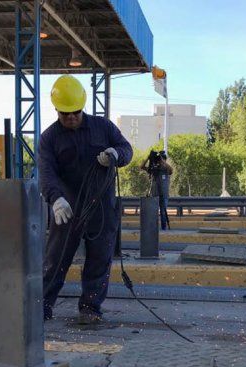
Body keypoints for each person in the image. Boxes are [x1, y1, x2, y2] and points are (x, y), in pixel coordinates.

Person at [39, 75, 133, 324]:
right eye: (65, 114)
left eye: (75, 113)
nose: (70, 118)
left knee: (99, 260)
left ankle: (90, 308)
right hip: (67, 209)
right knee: (55, 260)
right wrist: (56, 198)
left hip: (101, 208)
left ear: (83, 107)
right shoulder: (49, 138)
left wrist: (115, 153)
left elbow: (127, 149)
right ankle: (42, 306)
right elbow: (46, 173)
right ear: (57, 110)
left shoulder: (104, 128)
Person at [140, 149, 173, 230]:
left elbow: (171, 170)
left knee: (162, 212)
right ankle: (153, 229)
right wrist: (148, 158)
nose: (160, 162)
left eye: (161, 160)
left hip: (164, 195)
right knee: (153, 212)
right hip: (154, 195)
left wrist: (163, 161)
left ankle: (163, 228)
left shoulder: (165, 170)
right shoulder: (154, 170)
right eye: (159, 160)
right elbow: (142, 167)